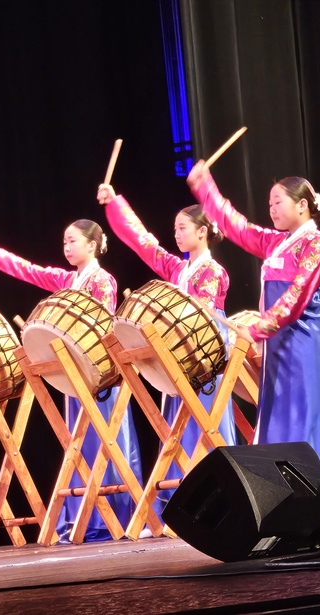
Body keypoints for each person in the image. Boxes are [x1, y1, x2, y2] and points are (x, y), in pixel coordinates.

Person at [0, 220, 142, 541]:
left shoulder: (103, 281)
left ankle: (115, 514)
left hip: (100, 374)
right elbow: (27, 269)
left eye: (72, 241)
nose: (67, 247)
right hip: (73, 374)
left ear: (92, 245)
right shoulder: (67, 280)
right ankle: (84, 519)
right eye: (64, 242)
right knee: (79, 445)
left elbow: (99, 329)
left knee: (105, 441)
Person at [186, 161, 320, 498]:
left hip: (306, 345)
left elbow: (298, 294)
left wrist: (258, 328)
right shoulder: (277, 243)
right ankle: (284, 497)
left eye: (279, 202)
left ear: (302, 205)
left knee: (308, 414)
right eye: (270, 203)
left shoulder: (318, 245)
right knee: (279, 417)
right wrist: (206, 188)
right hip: (279, 345)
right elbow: (237, 226)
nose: (272, 208)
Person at [97, 184, 237, 513]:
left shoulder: (212, 272)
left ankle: (219, 504)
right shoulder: (179, 270)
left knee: (205, 424)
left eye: (182, 228)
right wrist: (116, 203)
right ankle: (181, 508)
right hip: (178, 352)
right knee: (176, 428)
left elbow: (201, 318)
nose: (176, 234)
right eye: (174, 229)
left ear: (203, 232)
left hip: (205, 355)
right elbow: (144, 242)